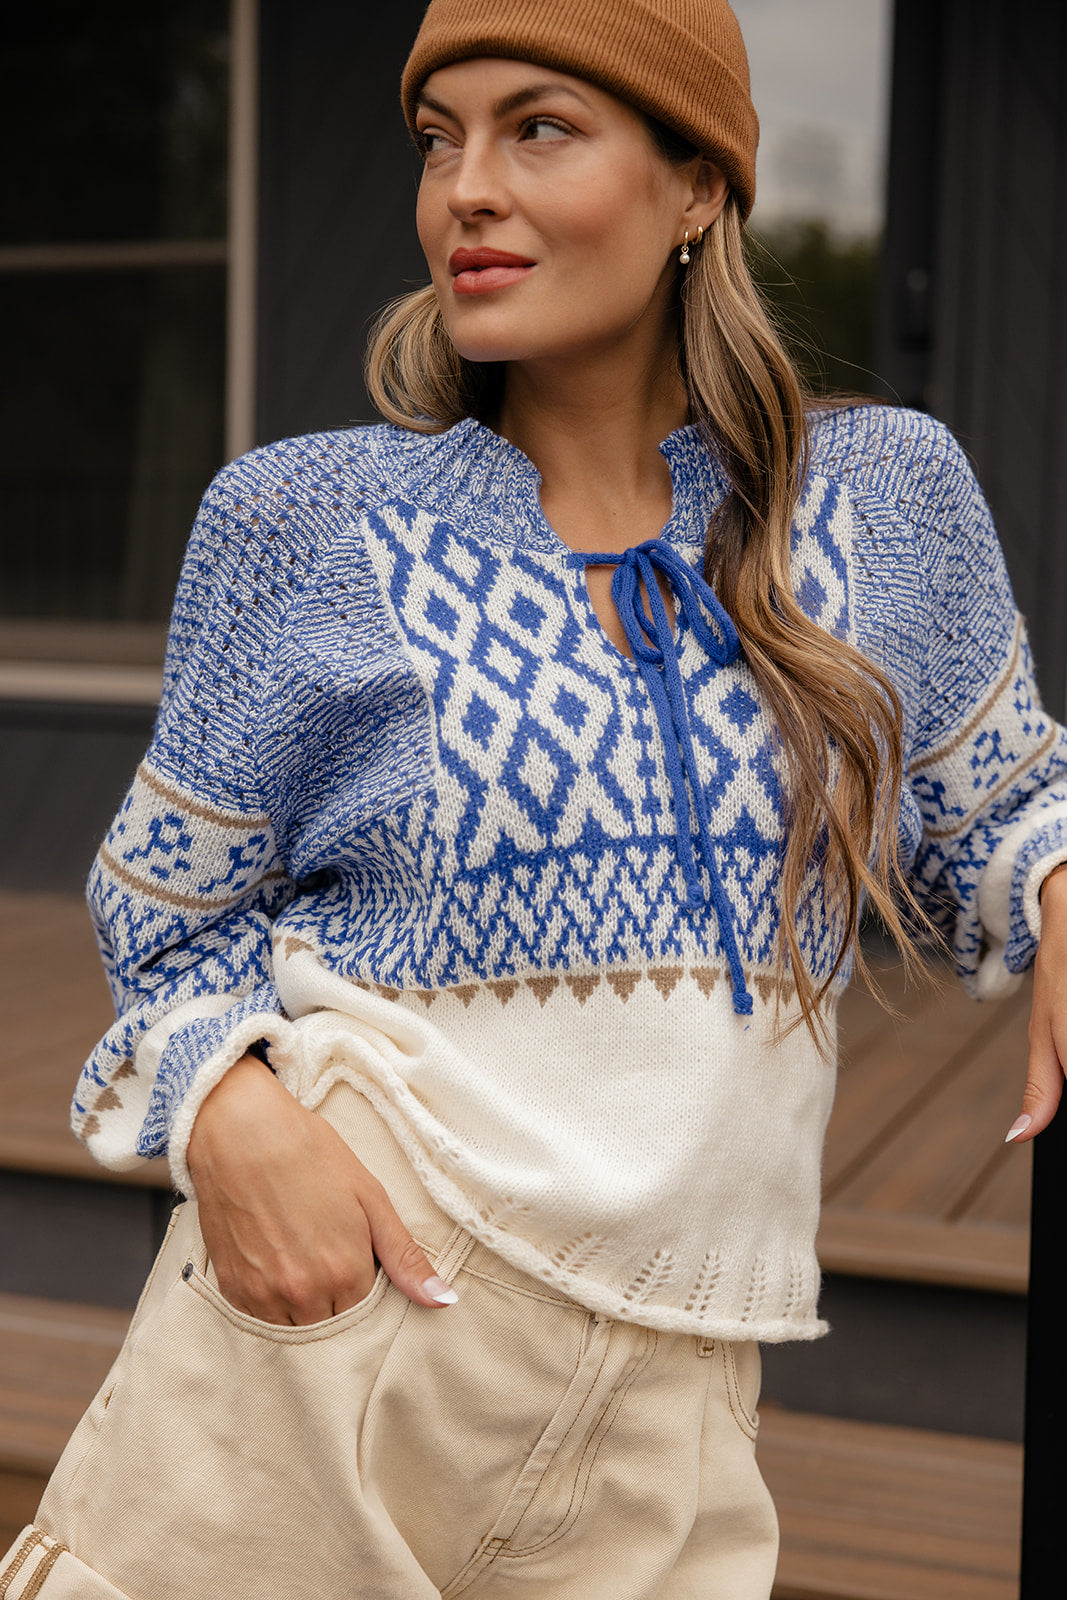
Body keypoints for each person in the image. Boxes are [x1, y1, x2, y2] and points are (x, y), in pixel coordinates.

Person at [5, 1, 1067, 1596]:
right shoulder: (306, 522)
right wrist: (229, 1112)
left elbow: (997, 809)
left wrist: (1058, 880)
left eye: (541, 128)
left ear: (698, 183)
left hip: (686, 1392)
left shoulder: (886, 503)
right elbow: (165, 918)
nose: (467, 192)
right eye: (442, 142)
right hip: (346, 1331)